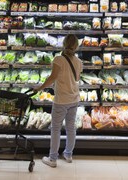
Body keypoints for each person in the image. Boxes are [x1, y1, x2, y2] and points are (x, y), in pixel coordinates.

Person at [34, 34, 83, 168]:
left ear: (64, 44)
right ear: (76, 46)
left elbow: (52, 78)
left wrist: (40, 88)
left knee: (55, 129)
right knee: (70, 128)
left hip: (61, 99)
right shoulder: (79, 62)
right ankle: (68, 154)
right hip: (74, 98)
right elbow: (76, 78)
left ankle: (53, 158)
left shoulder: (58, 59)